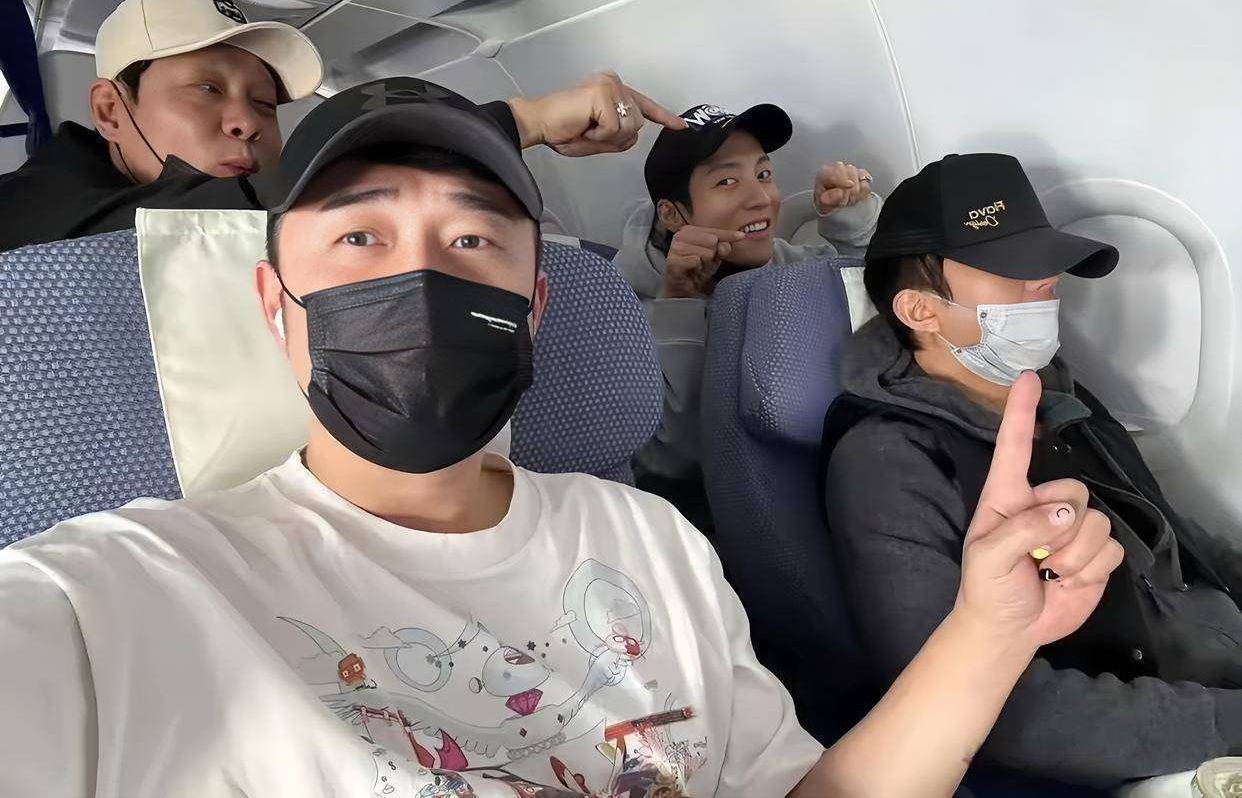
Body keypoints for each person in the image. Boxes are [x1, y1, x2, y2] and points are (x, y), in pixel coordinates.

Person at [0, 81, 1122, 797]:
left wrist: (988, 631)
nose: (421, 279)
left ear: (534, 307)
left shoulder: (652, 539)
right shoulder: (121, 597)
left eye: (472, 242)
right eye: (359, 237)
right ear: (271, 302)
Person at [821, 152, 1242, 789]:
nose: (1047, 280)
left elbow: (1173, 539)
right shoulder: (888, 463)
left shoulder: (1053, 392)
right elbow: (995, 712)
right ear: (920, 311)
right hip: (1164, 736)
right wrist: (1229, 722)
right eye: (1011, 267)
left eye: (1045, 260)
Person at [0, 0, 682, 251]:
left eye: (265, 103)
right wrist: (524, 119)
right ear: (110, 110)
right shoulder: (28, 218)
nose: (246, 123)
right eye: (207, 89)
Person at [613, 103, 880, 518]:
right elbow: (676, 459)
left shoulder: (791, 264)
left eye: (764, 174)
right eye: (727, 181)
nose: (761, 199)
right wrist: (680, 302)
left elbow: (871, 309)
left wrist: (849, 221)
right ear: (672, 214)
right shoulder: (619, 312)